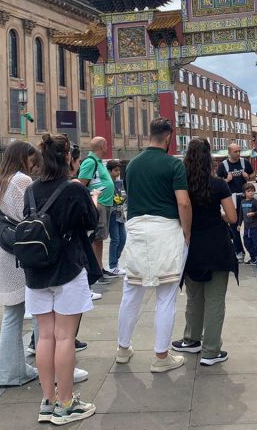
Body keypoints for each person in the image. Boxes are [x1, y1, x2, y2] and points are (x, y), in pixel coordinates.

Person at [23, 134, 98, 425]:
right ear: (67, 156)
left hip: (36, 269)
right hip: (67, 267)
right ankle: (66, 404)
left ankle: (48, 401)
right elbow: (90, 223)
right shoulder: (74, 189)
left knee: (45, 336)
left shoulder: (31, 189)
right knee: (65, 336)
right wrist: (90, 199)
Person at [117, 118, 192, 373]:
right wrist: (187, 232)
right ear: (169, 137)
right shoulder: (173, 164)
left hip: (137, 229)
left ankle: (123, 348)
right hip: (165, 229)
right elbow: (183, 202)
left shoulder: (132, 165)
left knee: (131, 293)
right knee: (166, 297)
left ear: (149, 134)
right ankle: (160, 356)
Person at [171, 138, 238, 365]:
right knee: (215, 299)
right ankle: (211, 351)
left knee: (194, 296)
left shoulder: (182, 185)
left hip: (192, 246)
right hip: (217, 246)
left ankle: (191, 339)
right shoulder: (219, 184)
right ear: (209, 157)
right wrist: (216, 216)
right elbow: (232, 217)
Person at [0, 141, 41, 387]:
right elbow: (29, 217)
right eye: (31, 160)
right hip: (18, 257)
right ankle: (14, 371)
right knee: (37, 310)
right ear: (22, 158)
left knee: (12, 312)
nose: (33, 166)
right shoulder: (20, 181)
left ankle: (13, 369)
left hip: (0, 253)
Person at [78, 136, 114, 280]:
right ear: (102, 146)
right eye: (106, 144)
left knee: (100, 238)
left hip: (104, 204)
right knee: (96, 238)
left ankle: (100, 268)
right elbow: (80, 184)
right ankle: (95, 271)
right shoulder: (90, 162)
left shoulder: (98, 162)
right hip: (98, 205)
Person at [216, 142, 255, 262]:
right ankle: (239, 252)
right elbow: (217, 181)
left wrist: (248, 176)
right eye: (235, 151)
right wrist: (226, 180)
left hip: (245, 198)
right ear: (229, 152)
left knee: (250, 225)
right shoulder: (223, 165)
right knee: (234, 226)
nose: (238, 154)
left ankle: (254, 254)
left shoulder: (244, 162)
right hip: (231, 199)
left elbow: (253, 174)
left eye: (239, 151)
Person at [106, 160, 126, 277]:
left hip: (120, 213)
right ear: (109, 171)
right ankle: (112, 265)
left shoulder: (120, 183)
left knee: (123, 239)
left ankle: (115, 262)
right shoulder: (108, 183)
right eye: (115, 170)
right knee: (115, 239)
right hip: (112, 214)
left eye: (119, 170)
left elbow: (123, 195)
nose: (118, 173)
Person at [241, 182, 257, 267]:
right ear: (244, 193)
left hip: (254, 227)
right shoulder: (242, 202)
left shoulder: (255, 202)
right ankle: (253, 257)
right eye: (249, 191)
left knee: (256, 243)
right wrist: (239, 224)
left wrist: (253, 213)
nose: (251, 192)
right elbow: (240, 214)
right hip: (246, 227)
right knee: (247, 243)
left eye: (252, 191)